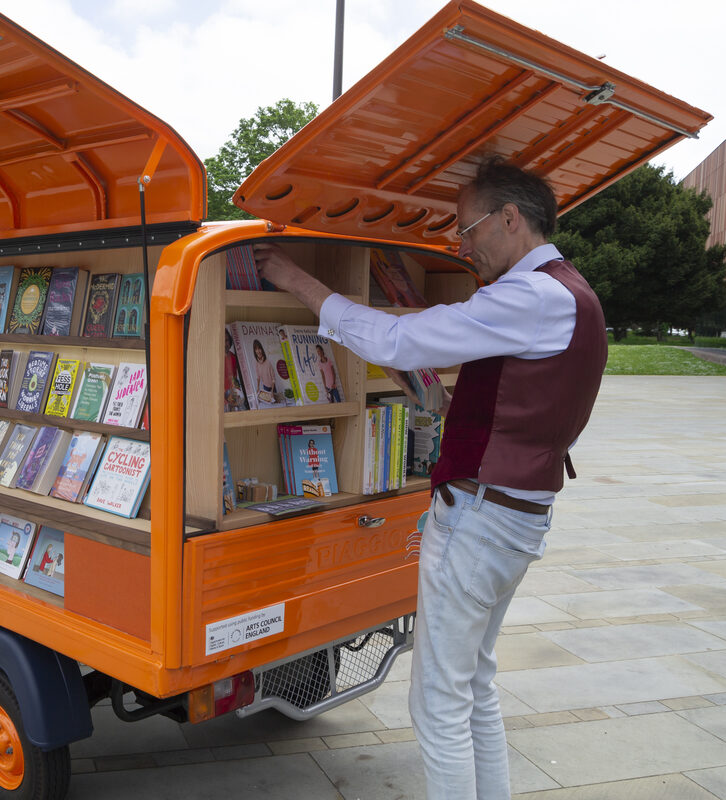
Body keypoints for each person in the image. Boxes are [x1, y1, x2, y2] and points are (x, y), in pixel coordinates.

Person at [255, 156, 607, 800]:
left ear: (509, 218)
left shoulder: (528, 296)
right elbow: (526, 399)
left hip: (480, 516)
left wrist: (296, 279)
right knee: (473, 687)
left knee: (438, 704)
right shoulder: (573, 291)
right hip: (518, 511)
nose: (461, 243)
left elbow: (394, 342)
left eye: (467, 228)